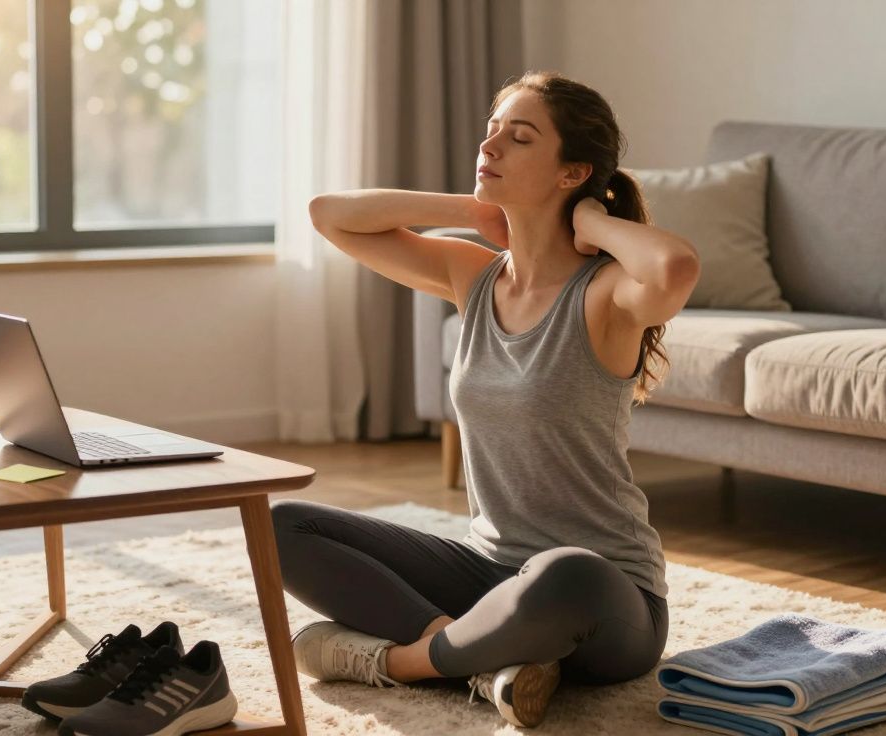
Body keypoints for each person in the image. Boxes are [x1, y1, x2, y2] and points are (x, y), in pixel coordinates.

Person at [272, 70, 701, 729]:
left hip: (609, 599)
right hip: (488, 571)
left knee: (566, 574)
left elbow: (674, 268)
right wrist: (470, 211)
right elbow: (328, 216)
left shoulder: (606, 293)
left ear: (571, 171)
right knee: (280, 528)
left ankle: (405, 661)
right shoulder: (472, 275)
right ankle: (485, 657)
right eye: (491, 130)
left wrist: (591, 217)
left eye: (519, 137)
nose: (490, 146)